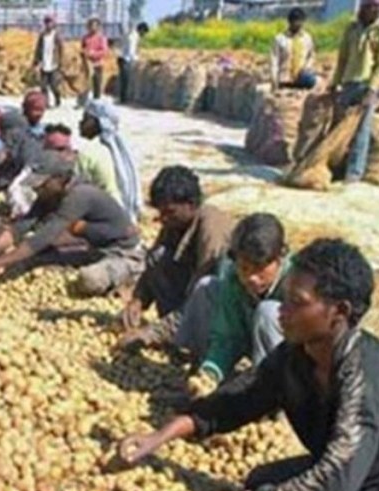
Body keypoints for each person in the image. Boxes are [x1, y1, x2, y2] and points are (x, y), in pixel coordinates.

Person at [117, 238, 379, 491]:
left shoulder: (364, 375)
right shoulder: (296, 356)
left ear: (340, 312)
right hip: (358, 473)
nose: (281, 310)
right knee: (260, 482)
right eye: (285, 297)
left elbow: (338, 475)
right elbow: (238, 400)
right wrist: (159, 437)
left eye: (297, 302)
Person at [0, 150, 144, 296]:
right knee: (33, 259)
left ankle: (132, 276)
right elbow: (19, 228)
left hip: (123, 252)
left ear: (61, 179)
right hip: (94, 248)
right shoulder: (49, 194)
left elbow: (43, 237)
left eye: (42, 184)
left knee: (90, 279)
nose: (36, 188)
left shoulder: (80, 195)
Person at [118, 166, 234, 352]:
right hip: (188, 297)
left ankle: (192, 342)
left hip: (221, 310)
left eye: (169, 212)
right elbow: (153, 264)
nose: (163, 219)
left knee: (205, 286)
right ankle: (175, 333)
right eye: (161, 212)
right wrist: (138, 300)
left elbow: (203, 296)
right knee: (158, 255)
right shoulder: (176, 222)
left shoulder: (212, 231)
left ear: (191, 204)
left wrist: (152, 333)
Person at [197, 213, 291, 383]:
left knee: (268, 312)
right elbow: (227, 336)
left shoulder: (297, 282)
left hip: (296, 362)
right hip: (253, 343)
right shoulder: (233, 279)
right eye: (244, 268)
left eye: (260, 268)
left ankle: (273, 387)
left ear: (280, 258)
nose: (252, 277)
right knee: (207, 286)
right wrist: (211, 372)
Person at [329, 0, 379, 183]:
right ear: (364, 8)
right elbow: (342, 59)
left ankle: (354, 173)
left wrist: (372, 89)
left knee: (361, 131)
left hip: (366, 85)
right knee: (338, 127)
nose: (377, 11)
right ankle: (335, 167)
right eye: (373, 7)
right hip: (348, 84)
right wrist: (335, 83)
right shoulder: (351, 29)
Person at [80, 101, 141, 222]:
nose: (81, 123)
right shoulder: (120, 149)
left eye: (85, 119)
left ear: (98, 122)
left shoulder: (93, 152)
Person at [270, 9, 317, 91]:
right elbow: (274, 61)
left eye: (300, 22)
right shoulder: (280, 39)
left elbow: (311, 55)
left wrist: (307, 67)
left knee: (312, 80)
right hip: (285, 80)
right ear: (290, 22)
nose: (298, 25)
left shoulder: (307, 38)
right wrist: (274, 80)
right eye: (295, 22)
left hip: (302, 78)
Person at [32, 15, 65, 108]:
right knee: (43, 86)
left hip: (54, 64)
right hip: (44, 64)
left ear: (53, 24)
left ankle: (57, 99)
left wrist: (60, 62)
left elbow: (61, 49)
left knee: (54, 85)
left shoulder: (56, 35)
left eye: (50, 22)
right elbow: (38, 49)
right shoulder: (42, 35)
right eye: (46, 22)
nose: (48, 24)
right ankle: (45, 103)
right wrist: (36, 62)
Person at [118, 22, 150, 103]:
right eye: (144, 32)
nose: (144, 35)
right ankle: (123, 99)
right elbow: (131, 51)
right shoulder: (134, 36)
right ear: (141, 30)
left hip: (123, 59)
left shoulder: (132, 35)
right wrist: (137, 60)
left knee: (125, 79)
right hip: (125, 59)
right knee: (126, 79)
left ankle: (123, 98)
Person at [81, 18, 110, 103]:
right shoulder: (85, 37)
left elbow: (104, 51)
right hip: (86, 64)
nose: (92, 27)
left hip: (97, 64)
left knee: (97, 83)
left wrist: (93, 54)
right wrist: (84, 52)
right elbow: (82, 48)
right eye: (90, 25)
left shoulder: (101, 38)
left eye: (94, 26)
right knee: (85, 83)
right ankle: (83, 101)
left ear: (98, 27)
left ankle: (96, 101)